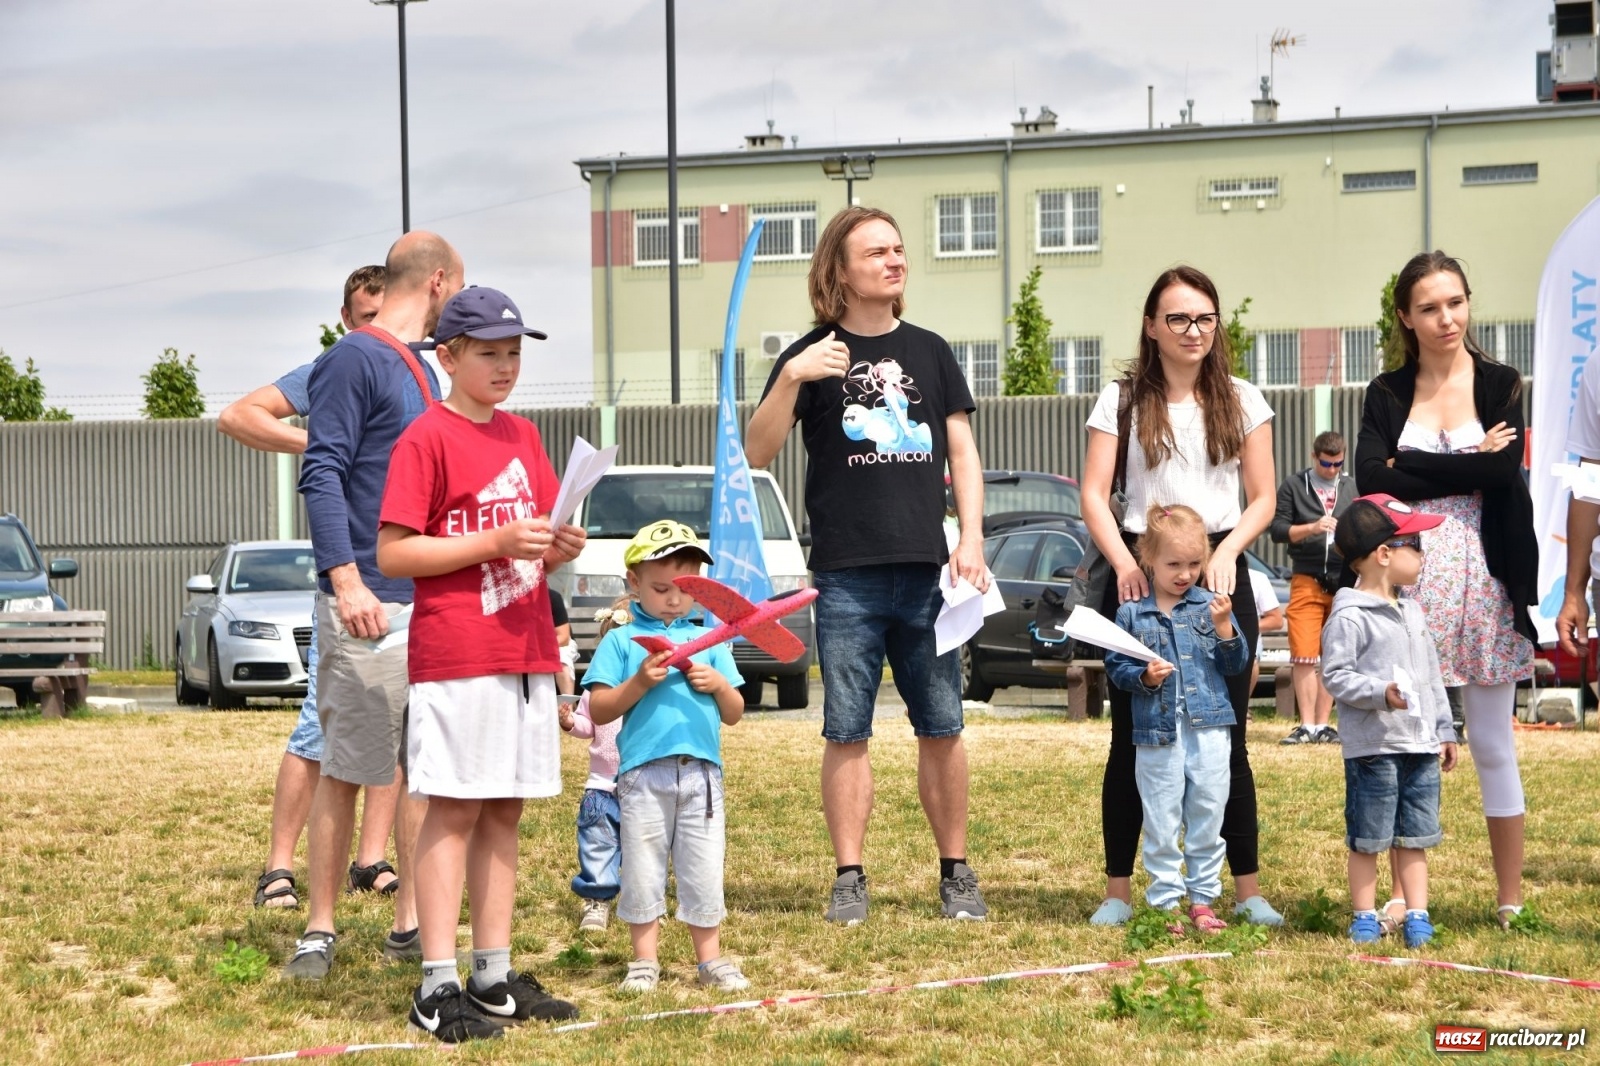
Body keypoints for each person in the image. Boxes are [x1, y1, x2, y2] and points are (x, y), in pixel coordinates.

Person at [744, 206, 990, 926]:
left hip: (926, 571)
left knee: (943, 724)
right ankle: (849, 876)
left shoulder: (932, 351)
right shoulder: (809, 355)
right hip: (847, 573)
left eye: (898, 247)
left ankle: (956, 873)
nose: (894, 259)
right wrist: (791, 376)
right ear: (839, 271)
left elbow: (963, 453)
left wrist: (969, 537)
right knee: (846, 729)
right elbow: (756, 454)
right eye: (876, 251)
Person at [376, 284, 583, 1041]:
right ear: (450, 355)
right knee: (454, 808)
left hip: (526, 648)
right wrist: (495, 543)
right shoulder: (425, 438)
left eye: (514, 353)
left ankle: (491, 975)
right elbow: (395, 550)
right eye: (490, 353)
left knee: (504, 810)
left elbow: (539, 546)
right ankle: (436, 985)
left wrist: (559, 547)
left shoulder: (525, 438)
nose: (504, 366)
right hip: (459, 650)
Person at [285, 231, 464, 980]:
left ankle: (410, 923)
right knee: (347, 768)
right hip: (370, 602)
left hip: (425, 602)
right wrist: (346, 579)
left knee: (422, 767)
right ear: (439, 282)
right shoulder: (356, 356)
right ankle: (319, 930)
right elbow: (321, 471)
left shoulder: (418, 371)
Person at [1081, 265, 1282, 928]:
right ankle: (1119, 893)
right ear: (1151, 326)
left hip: (1220, 569)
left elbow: (1265, 499)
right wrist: (1123, 564)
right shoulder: (1120, 399)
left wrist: (1225, 556)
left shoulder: (1244, 399)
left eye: (1203, 318)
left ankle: (1244, 890)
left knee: (1229, 737)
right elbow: (1093, 493)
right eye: (1178, 319)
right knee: (1131, 737)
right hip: (1141, 563)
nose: (1193, 330)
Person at [1354, 251, 1534, 929]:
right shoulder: (1386, 393)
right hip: (1406, 586)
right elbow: (1373, 479)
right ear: (1405, 316)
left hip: (1487, 581)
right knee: (1405, 739)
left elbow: (1505, 474)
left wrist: (1417, 465)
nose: (1445, 318)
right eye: (1428, 307)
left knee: (1490, 741)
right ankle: (1405, 895)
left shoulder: (1501, 383)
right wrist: (1469, 462)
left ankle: (1510, 898)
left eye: (1455, 302)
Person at [218, 265, 403, 911]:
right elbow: (238, 415)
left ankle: (371, 858)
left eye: (388, 312)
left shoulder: (420, 370)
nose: (378, 326)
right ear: (348, 321)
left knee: (394, 725)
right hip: (349, 576)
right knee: (316, 733)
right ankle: (278, 868)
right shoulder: (341, 366)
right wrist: (325, 440)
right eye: (365, 315)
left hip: (408, 577)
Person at [583, 522, 749, 993]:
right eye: (661, 589)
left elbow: (734, 713)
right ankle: (643, 961)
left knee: (703, 867)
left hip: (701, 775)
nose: (674, 600)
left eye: (686, 589)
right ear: (634, 583)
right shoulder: (621, 641)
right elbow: (597, 708)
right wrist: (639, 682)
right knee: (642, 867)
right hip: (642, 776)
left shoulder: (712, 642)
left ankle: (710, 960)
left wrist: (718, 685)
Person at [1320, 494, 1459, 949]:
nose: (1421, 556)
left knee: (1414, 836)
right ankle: (1364, 915)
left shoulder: (1413, 610)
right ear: (1384, 553)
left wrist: (1444, 728)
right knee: (1368, 838)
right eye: (1414, 544)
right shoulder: (1349, 615)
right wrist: (1381, 693)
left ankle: (1417, 914)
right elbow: (1336, 676)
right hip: (1374, 750)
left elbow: (1432, 676)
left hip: (1419, 747)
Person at [1104, 505, 1249, 933]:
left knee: (1208, 812)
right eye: (1173, 564)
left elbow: (1236, 663)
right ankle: (1166, 902)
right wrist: (1144, 676)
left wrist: (1224, 628)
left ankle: (1202, 899)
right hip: (1156, 734)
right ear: (1147, 558)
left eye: (1193, 564)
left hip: (1210, 730)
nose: (1185, 574)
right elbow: (1117, 666)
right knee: (1161, 818)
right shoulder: (1132, 612)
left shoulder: (1212, 606)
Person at [1270, 430, 1358, 745]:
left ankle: (1323, 725)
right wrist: (1312, 527)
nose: (1332, 470)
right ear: (1314, 456)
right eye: (1325, 464)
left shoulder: (1350, 488)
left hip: (1342, 580)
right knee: (1304, 653)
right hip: (1306, 576)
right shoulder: (1295, 486)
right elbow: (1277, 530)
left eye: (1337, 464)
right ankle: (1306, 725)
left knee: (1333, 654)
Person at [558, 599, 629, 933]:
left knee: (644, 846)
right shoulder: (595, 691)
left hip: (640, 782)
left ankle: (641, 899)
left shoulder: (647, 689)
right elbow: (589, 726)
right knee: (598, 842)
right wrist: (571, 722)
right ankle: (597, 900)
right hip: (602, 784)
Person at [1245, 566, 1286, 699]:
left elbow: (1276, 621)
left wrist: (1245, 628)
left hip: (1248, 640)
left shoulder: (1257, 578)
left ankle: (1243, 706)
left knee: (1250, 657)